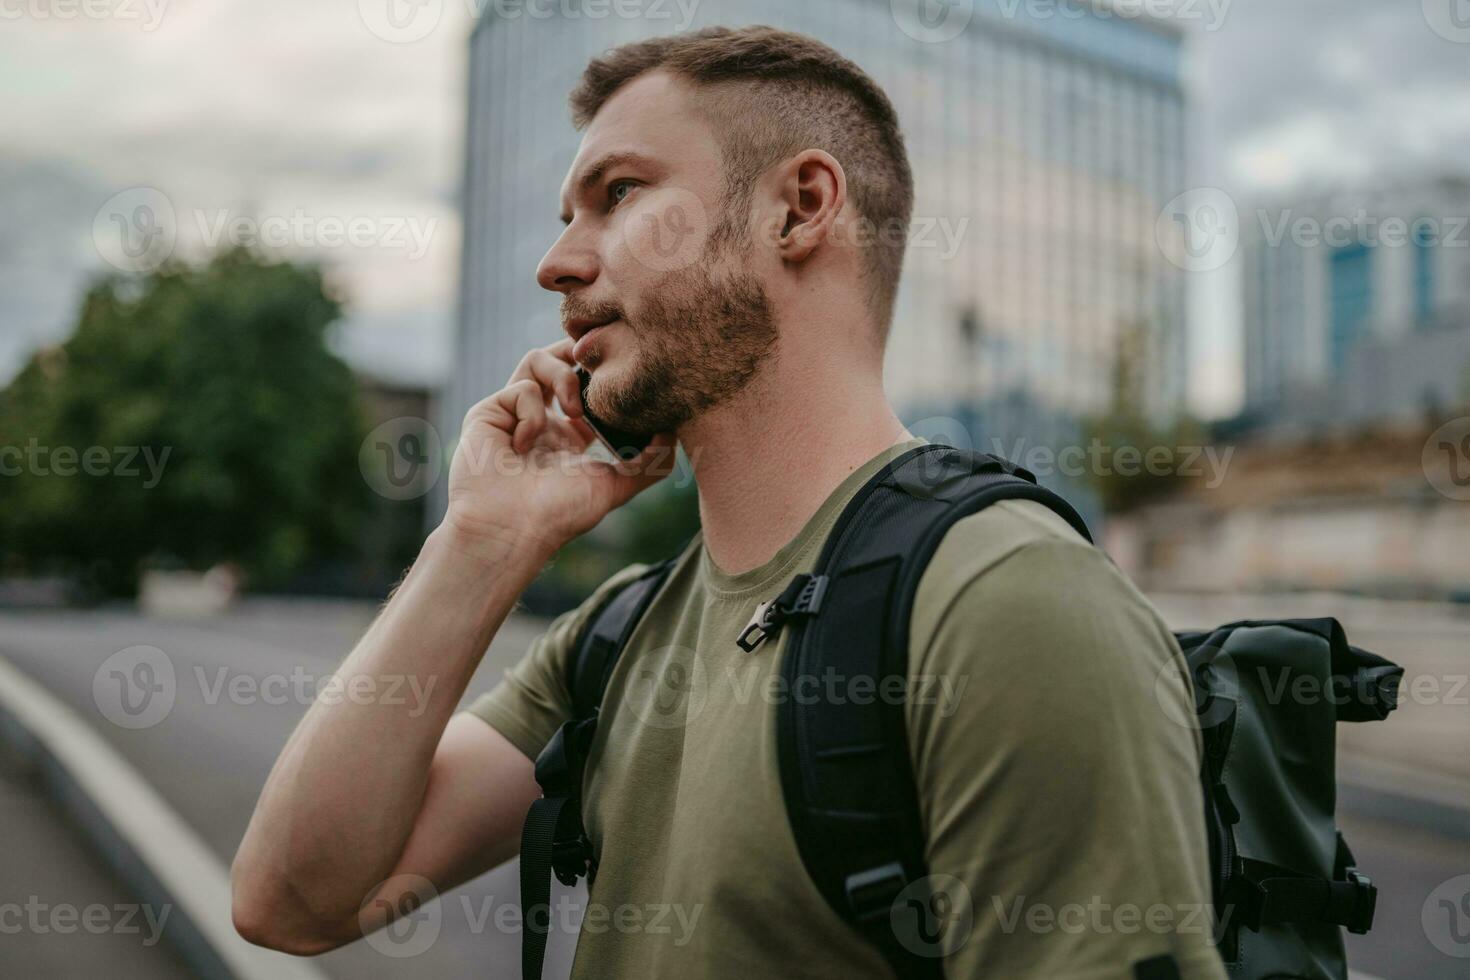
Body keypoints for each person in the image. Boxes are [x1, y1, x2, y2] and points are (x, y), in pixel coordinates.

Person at [232, 25, 1226, 979]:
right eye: (566, 216)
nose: (558, 263)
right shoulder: (618, 632)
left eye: (617, 194)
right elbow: (292, 898)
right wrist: (484, 538)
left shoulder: (1009, 601)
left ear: (797, 208)